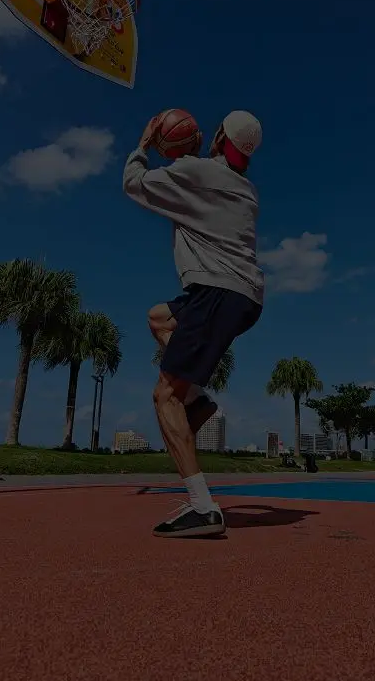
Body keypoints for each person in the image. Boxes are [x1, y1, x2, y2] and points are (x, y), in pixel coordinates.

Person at [123, 110, 264, 538]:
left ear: (218, 136)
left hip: (217, 292)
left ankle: (203, 507)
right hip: (244, 297)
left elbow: (134, 183)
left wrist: (145, 144)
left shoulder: (196, 172)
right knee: (158, 317)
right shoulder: (248, 190)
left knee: (165, 397)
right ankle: (198, 401)